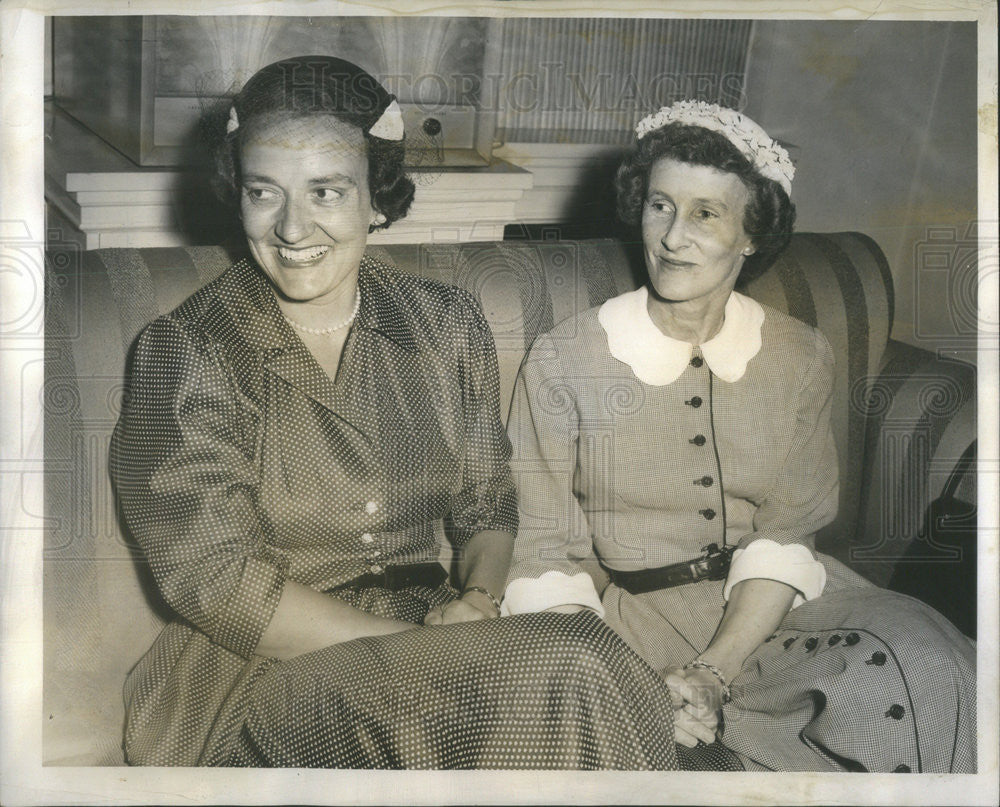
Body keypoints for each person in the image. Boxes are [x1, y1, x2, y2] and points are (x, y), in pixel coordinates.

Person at [109, 55, 685, 769]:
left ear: (377, 199)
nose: (292, 228)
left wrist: (477, 596)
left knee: (577, 669)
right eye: (265, 192)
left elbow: (486, 502)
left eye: (326, 191)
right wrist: (436, 650)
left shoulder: (445, 322)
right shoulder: (187, 347)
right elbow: (219, 581)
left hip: (427, 639)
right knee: (572, 659)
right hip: (259, 676)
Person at [503, 100, 977, 772]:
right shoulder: (564, 357)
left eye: (705, 214)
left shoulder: (800, 354)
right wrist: (625, 679)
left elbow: (788, 531)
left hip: (785, 605)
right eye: (660, 205)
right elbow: (541, 549)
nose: (672, 236)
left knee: (930, 664)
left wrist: (714, 669)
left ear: (752, 234)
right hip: (634, 627)